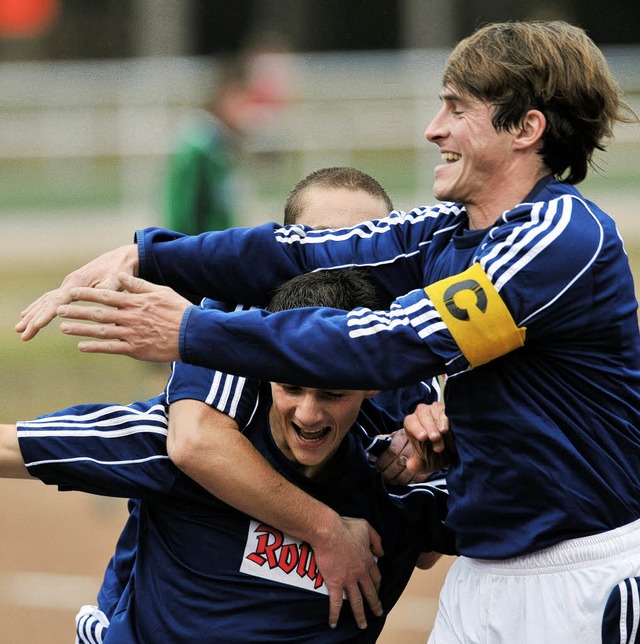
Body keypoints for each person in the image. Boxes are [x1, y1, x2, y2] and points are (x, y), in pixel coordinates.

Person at [18, 19, 635, 642]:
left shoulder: (560, 240)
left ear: (526, 128)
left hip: (578, 575)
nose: (433, 129)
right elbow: (305, 251)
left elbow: (390, 345)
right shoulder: (447, 231)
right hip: (485, 572)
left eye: (456, 109)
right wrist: (150, 258)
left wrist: (189, 330)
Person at [1, 268, 453, 643]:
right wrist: (325, 530)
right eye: (290, 386)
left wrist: (452, 442)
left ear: (372, 385)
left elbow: (483, 520)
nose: (309, 413)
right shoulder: (172, 448)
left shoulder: (395, 482)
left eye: (333, 393)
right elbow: (9, 447)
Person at [162, 57, 253, 235]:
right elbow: (183, 205)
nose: (244, 112)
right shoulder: (199, 144)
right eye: (239, 102)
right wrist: (181, 245)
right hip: (199, 246)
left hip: (215, 243)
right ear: (223, 99)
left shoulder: (219, 141)